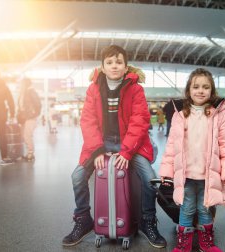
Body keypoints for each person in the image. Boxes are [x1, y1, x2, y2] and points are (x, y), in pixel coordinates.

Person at [62, 45, 166, 248]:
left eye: (119, 62)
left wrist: (126, 152)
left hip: (130, 144)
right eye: (109, 62)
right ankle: (83, 219)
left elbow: (140, 120)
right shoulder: (94, 89)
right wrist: (97, 149)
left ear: (126, 67)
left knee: (149, 178)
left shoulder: (135, 89)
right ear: (102, 67)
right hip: (101, 142)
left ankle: (148, 220)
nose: (114, 66)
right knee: (77, 176)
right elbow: (88, 120)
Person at [159, 68, 225, 252]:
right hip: (186, 174)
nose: (200, 90)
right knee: (186, 208)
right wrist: (166, 171)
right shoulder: (180, 114)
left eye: (205, 87)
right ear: (189, 90)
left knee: (205, 208)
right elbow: (171, 145)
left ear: (212, 91)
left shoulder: (219, 113)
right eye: (196, 87)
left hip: (208, 174)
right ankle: (183, 244)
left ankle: (206, 243)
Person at [17, 78, 41, 161]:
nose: (20, 85)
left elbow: (38, 103)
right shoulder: (23, 92)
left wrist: (35, 114)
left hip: (30, 117)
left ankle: (31, 153)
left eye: (22, 83)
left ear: (26, 84)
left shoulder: (31, 91)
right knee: (25, 136)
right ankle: (29, 152)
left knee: (27, 135)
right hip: (24, 117)